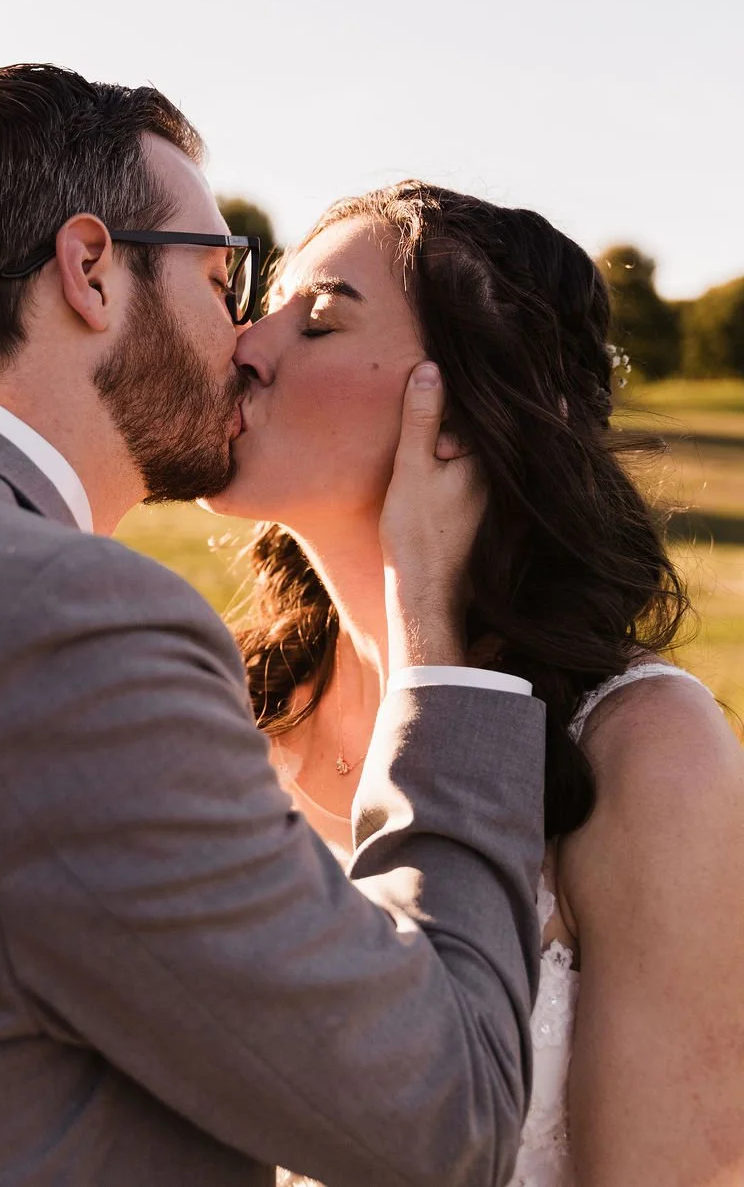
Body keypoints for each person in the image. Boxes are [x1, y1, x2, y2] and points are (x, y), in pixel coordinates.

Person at [0, 67, 545, 1187]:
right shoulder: (58, 625)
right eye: (220, 275)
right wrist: (440, 658)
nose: (243, 334)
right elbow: (442, 1113)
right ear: (92, 271)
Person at [209, 182, 744, 1187]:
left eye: (317, 319)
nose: (242, 341)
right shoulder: (218, 718)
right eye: (263, 303)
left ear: (458, 408)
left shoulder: (641, 751)